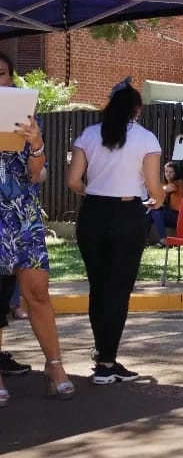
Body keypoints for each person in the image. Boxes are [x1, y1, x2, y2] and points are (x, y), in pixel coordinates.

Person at [67, 78, 164, 385]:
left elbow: (72, 181)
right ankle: (108, 361)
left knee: (99, 286)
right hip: (127, 215)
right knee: (118, 289)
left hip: (93, 213)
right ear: (138, 109)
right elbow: (153, 188)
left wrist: (94, 192)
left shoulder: (88, 135)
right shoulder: (146, 139)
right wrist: (156, 200)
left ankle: (102, 353)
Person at [0, 52, 74, 403]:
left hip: (22, 215)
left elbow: (34, 173)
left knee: (38, 292)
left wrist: (36, 143)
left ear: (11, 78)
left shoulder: (26, 118)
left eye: (1, 74)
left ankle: (55, 365)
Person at [148, 161, 183, 247]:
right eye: (166, 171)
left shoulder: (179, 182)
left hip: (179, 216)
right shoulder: (166, 184)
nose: (168, 174)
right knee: (149, 213)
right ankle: (144, 240)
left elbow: (169, 188)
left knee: (156, 212)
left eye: (171, 172)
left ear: (176, 173)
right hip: (171, 214)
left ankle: (163, 239)